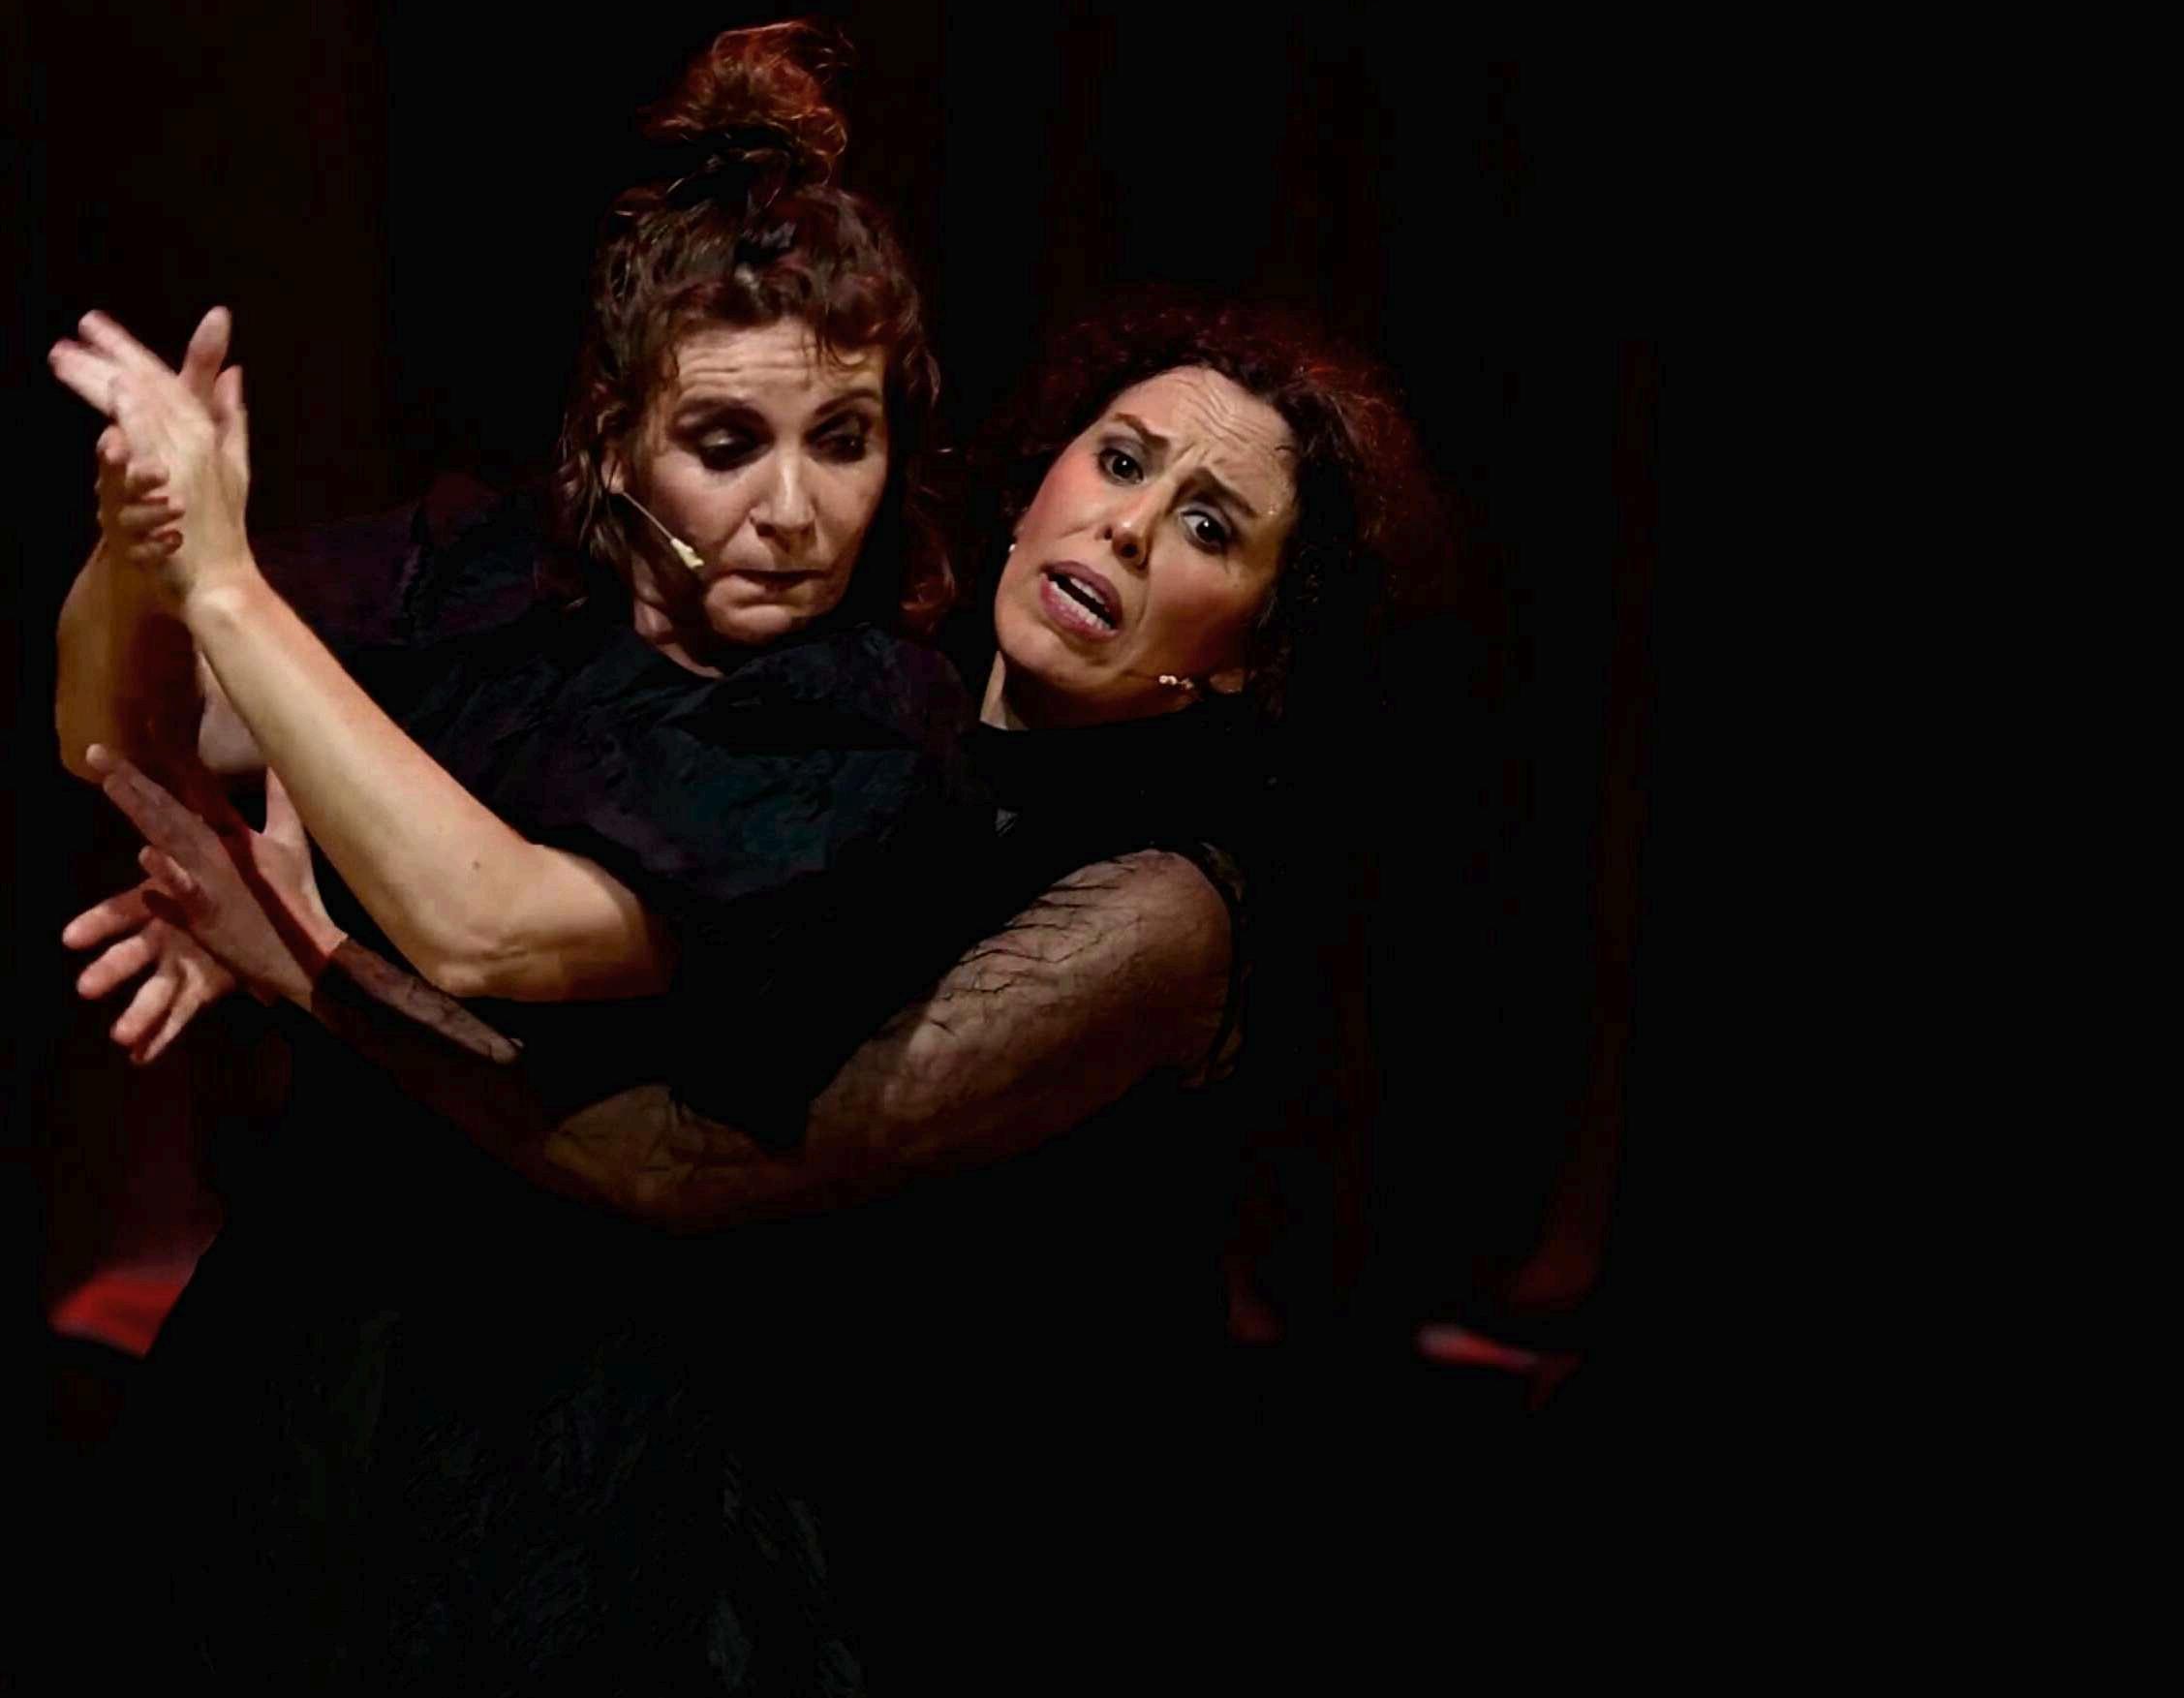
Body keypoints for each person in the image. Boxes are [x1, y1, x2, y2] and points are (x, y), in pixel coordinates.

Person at [65, 171, 1436, 1683]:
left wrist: (313, 965)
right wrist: (153, 584)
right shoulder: (850, 665)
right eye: (1118, 462)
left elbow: (684, 1159)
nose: (1124, 528)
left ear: (1248, 657)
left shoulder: (1158, 902)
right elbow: (177, 733)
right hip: (651, 1416)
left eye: (1205, 526)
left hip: (957, 1532)